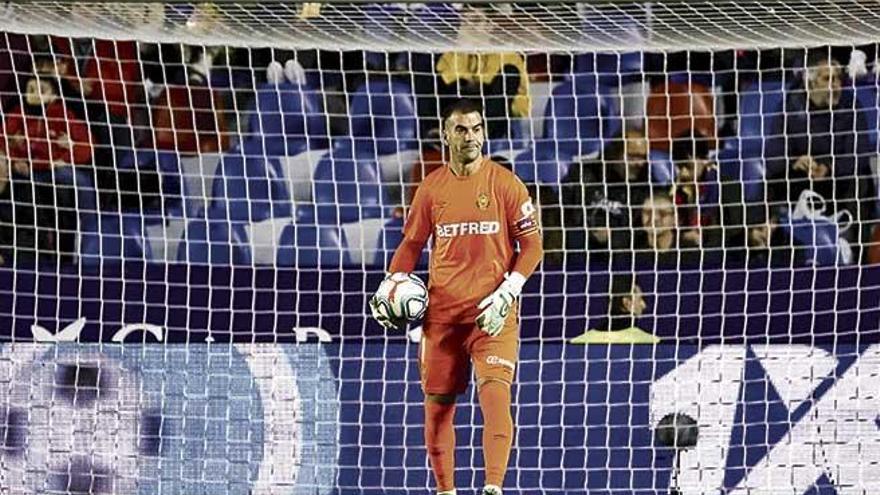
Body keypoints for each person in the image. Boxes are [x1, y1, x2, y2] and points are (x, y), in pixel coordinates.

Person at [369, 98, 543, 495]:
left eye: (477, 128)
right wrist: (393, 283)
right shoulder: (431, 188)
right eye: (461, 129)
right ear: (446, 135)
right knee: (438, 406)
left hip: (493, 313)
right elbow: (411, 244)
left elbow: (533, 247)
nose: (471, 137)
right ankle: (445, 490)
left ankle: (493, 488)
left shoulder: (505, 183)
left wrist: (507, 293)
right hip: (442, 315)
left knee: (496, 393)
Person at [570, 274, 659, 344]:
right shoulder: (649, 343)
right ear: (626, 302)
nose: (644, 305)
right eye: (640, 299)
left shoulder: (580, 342)